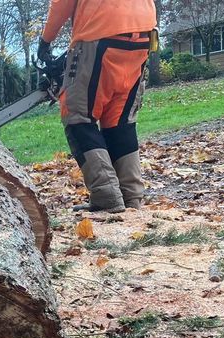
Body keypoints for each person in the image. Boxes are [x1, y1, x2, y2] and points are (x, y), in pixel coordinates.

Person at [38, 0, 157, 213]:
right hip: (143, 33)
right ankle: (132, 197)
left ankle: (106, 195)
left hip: (101, 32)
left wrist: (45, 41)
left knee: (78, 118)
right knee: (120, 122)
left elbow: (61, 3)